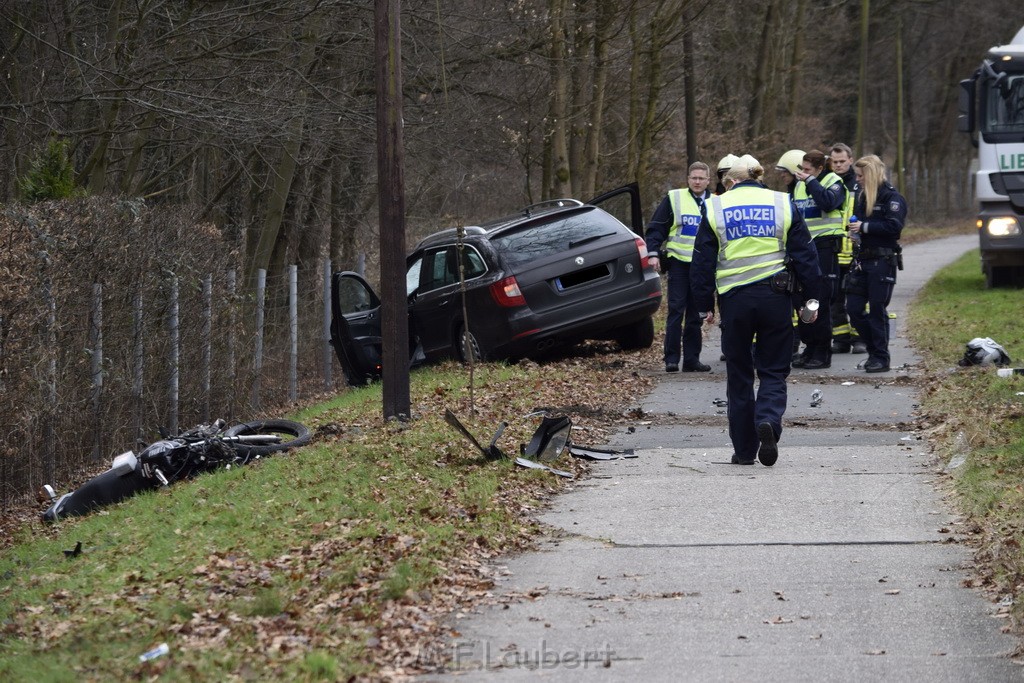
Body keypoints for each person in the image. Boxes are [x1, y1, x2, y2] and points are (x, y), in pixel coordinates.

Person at [691, 157, 822, 466]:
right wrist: (811, 300)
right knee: (774, 369)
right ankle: (768, 420)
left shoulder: (715, 207)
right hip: (775, 299)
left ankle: (745, 450)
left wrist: (703, 307)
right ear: (758, 178)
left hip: (734, 303)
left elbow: (702, 264)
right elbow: (806, 256)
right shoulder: (782, 202)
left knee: (738, 376)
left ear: (731, 182)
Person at [646, 162, 713, 372]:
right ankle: (672, 359)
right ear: (688, 179)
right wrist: (653, 252)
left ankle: (692, 359)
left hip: (702, 267)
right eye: (693, 177)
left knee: (696, 314)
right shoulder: (675, 198)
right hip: (679, 264)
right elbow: (657, 227)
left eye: (701, 178)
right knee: (676, 310)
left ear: (708, 180)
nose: (697, 181)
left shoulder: (717, 202)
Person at [847, 155, 907, 373]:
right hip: (863, 260)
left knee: (877, 309)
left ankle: (881, 357)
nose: (857, 179)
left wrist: (863, 227)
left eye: (861, 175)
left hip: (882, 261)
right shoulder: (863, 198)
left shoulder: (892, 198)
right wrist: (855, 234)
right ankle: (873, 350)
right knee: (853, 308)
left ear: (870, 175)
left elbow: (894, 228)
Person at [791, 149, 847, 370]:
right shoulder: (798, 186)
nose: (803, 173)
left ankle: (822, 352)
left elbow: (827, 202)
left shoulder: (835, 182)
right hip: (805, 250)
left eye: (808, 170)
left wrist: (811, 182)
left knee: (820, 302)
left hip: (825, 248)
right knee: (805, 302)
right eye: (802, 169)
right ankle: (810, 347)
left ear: (820, 169)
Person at [827, 143, 866, 355]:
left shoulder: (858, 184)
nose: (839, 165)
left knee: (858, 297)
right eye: (835, 162)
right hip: (834, 250)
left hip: (856, 250)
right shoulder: (827, 183)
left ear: (850, 160)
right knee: (834, 298)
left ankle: (859, 338)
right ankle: (840, 339)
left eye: (842, 161)